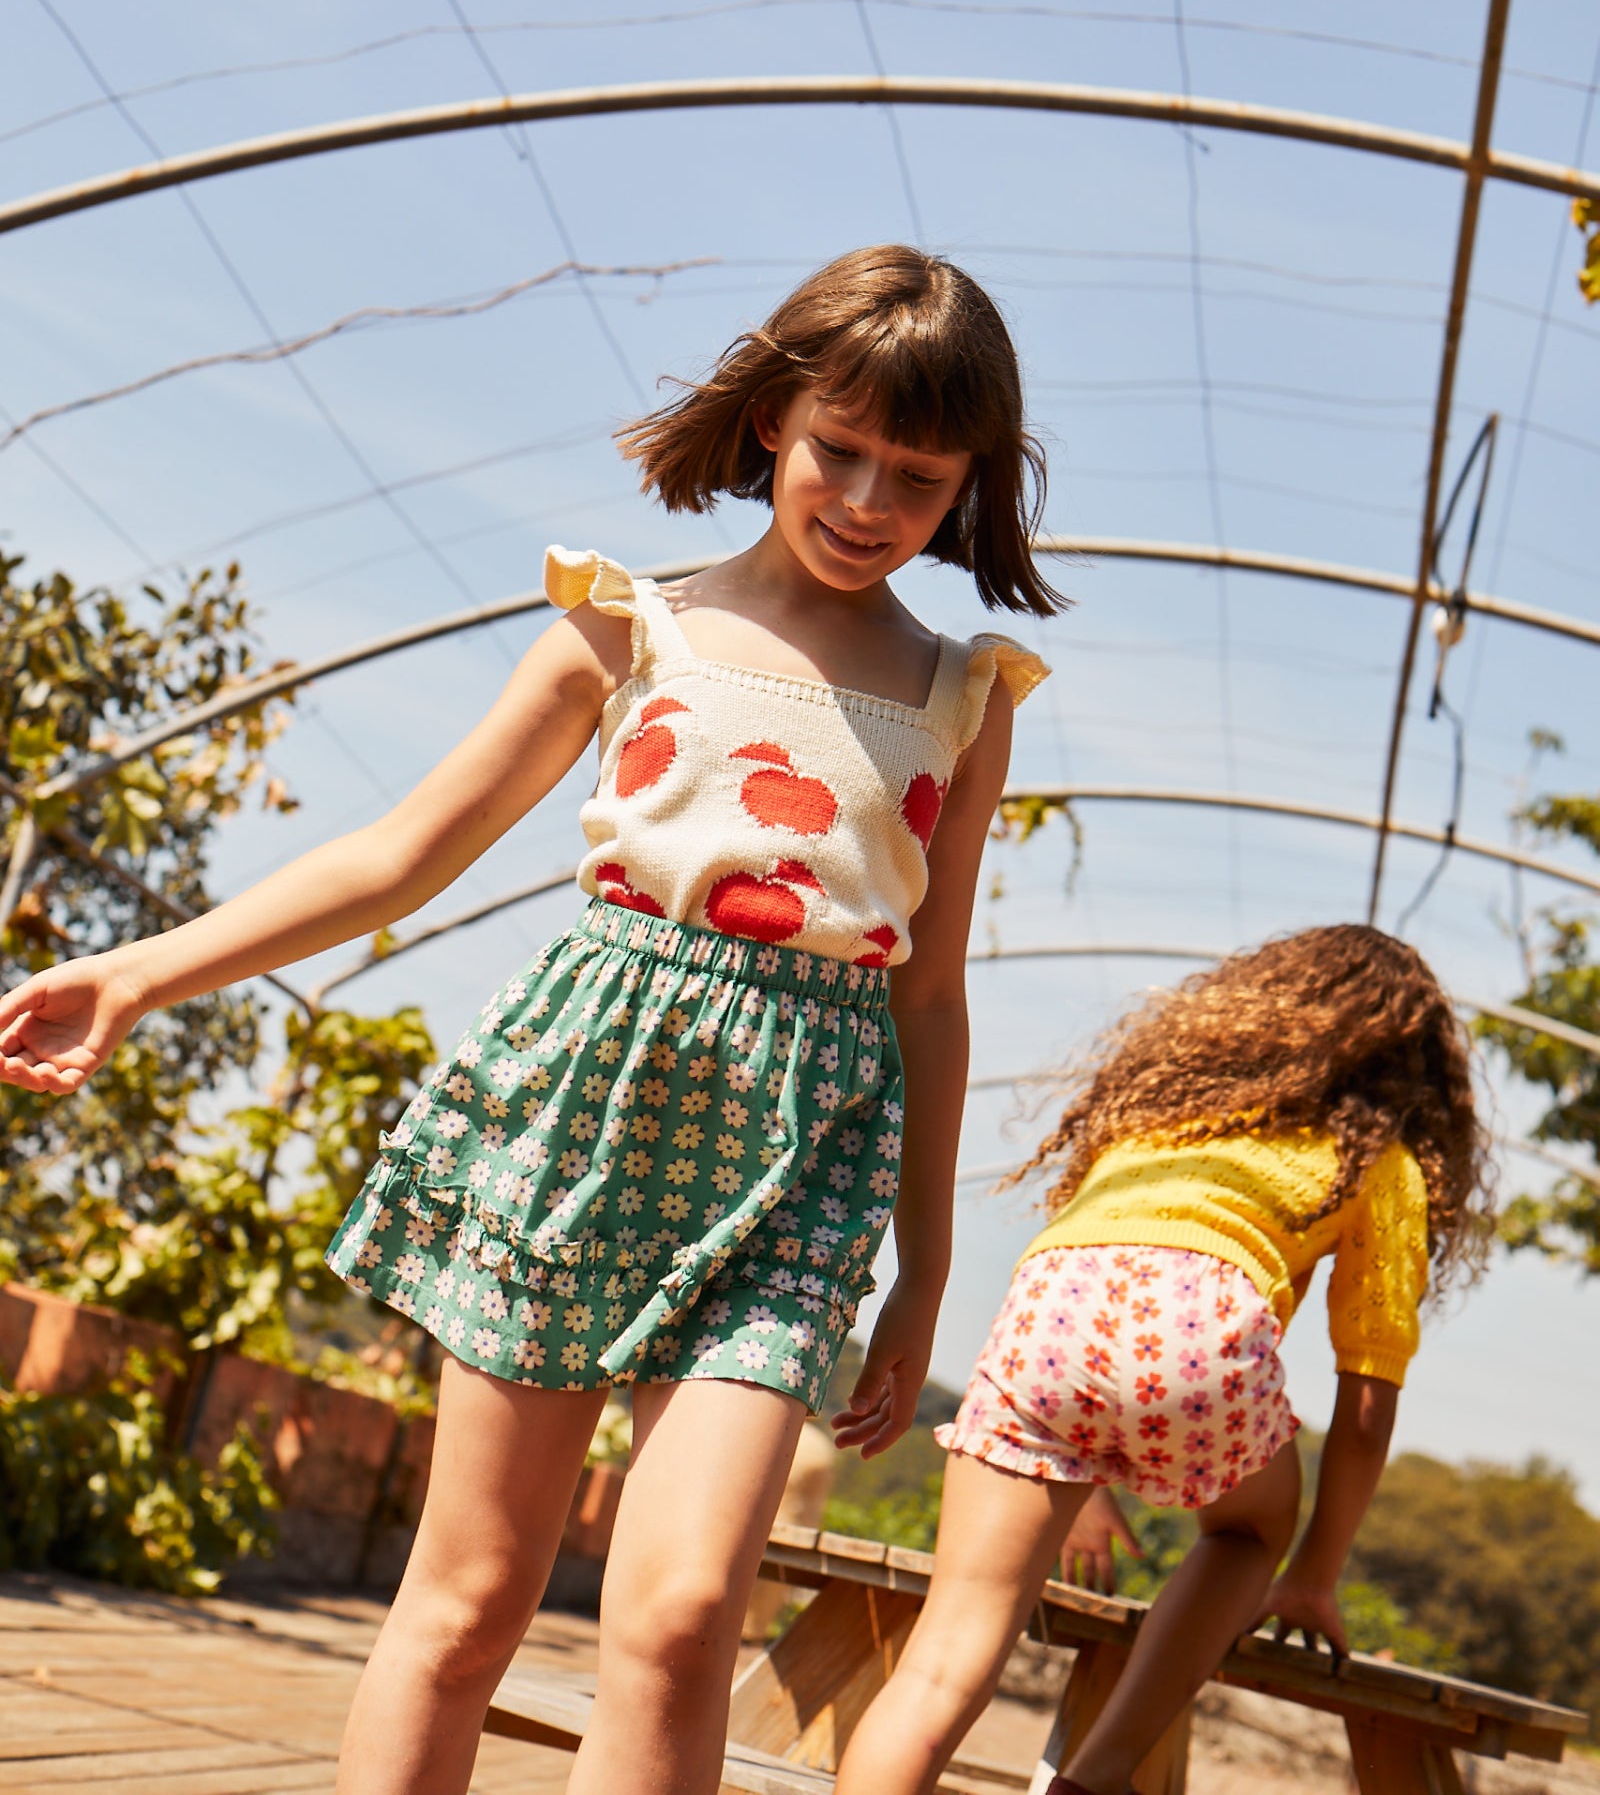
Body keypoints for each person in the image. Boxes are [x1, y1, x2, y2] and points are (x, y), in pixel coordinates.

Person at [0, 245, 1056, 1795]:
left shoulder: (966, 696)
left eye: (917, 474)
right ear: (774, 420)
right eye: (841, 449)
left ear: (967, 486)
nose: (866, 499)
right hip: (580, 1116)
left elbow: (934, 988)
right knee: (471, 1598)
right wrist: (148, 970)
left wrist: (925, 1273)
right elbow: (400, 856)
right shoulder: (630, 626)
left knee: (686, 1608)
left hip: (798, 1162)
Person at [833, 924, 1494, 1795]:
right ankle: (1095, 1774)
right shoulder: (1380, 1162)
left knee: (940, 1664)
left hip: (1048, 1314)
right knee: (1251, 1529)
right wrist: (1314, 1575)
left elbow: (1102, 1312)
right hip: (1199, 1334)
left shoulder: (1164, 1111)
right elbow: (1365, 1414)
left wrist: (1086, 1485)